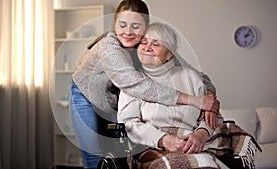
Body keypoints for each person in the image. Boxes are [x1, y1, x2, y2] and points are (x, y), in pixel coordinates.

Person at [69, 0, 219, 168]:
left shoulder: (147, 41)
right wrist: (196, 101)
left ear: (145, 26)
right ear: (115, 24)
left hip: (112, 98)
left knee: (122, 151)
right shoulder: (109, 49)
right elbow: (139, 86)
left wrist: (209, 102)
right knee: (95, 158)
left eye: (136, 26)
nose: (128, 32)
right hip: (85, 96)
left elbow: (199, 76)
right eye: (122, 25)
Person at [118, 22, 260, 169]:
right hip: (153, 148)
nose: (147, 47)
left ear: (169, 53)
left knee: (206, 162)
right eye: (144, 42)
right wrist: (164, 140)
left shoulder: (191, 78)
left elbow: (214, 117)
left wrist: (201, 134)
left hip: (197, 147)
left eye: (156, 44)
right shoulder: (133, 82)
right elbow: (128, 124)